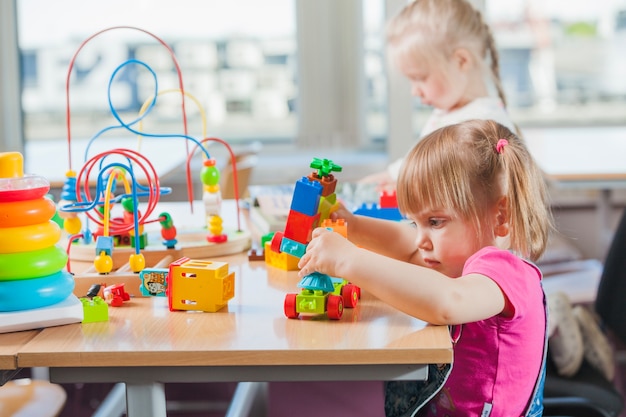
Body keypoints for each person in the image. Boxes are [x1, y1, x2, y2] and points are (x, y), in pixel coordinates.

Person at [298, 119, 553, 416]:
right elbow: (407, 243)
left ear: (500, 216)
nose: (421, 239)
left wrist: (348, 260)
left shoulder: (504, 271)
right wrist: (352, 225)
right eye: (415, 221)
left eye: (435, 222)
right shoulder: (459, 257)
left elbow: (448, 302)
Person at [362, 0, 516, 187]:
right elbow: (425, 165)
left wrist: (404, 186)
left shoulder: (483, 127)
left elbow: (456, 190)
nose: (414, 91)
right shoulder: (449, 113)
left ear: (461, 61)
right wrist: (391, 176)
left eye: (420, 77)